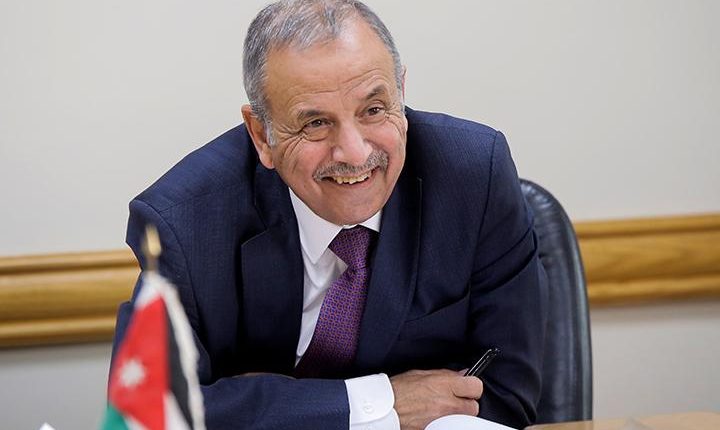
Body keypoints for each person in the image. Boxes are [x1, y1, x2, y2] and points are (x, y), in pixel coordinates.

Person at [112, 1, 548, 429]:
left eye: (373, 110)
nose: (355, 154)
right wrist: (380, 405)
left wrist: (261, 405)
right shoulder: (186, 223)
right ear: (262, 135)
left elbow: (507, 394)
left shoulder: (472, 177)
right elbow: (149, 410)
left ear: (401, 94)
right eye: (316, 124)